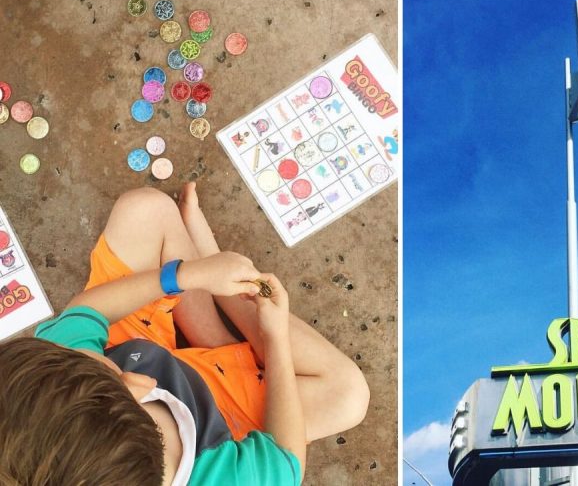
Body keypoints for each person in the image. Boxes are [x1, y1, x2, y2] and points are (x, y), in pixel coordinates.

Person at [0, 183, 369, 485]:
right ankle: (228, 335)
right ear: (139, 386)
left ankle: (213, 338)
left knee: (144, 210)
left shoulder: (42, 389)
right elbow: (286, 459)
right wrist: (274, 340)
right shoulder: (230, 478)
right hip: (226, 418)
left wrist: (185, 276)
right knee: (347, 394)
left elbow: (88, 311)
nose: (74, 346)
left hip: (133, 340)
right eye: (107, 367)